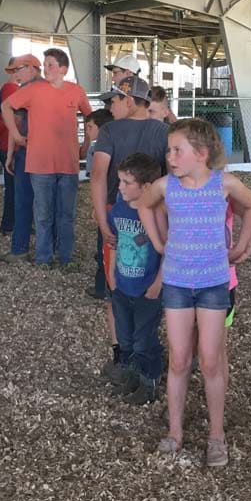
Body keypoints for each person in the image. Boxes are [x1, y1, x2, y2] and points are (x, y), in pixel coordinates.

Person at [139, 118, 251, 468]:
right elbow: (144, 205)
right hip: (177, 282)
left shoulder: (225, 184)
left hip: (213, 284)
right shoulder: (165, 186)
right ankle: (174, 432)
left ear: (202, 154)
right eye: (169, 150)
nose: (170, 156)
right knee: (178, 359)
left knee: (210, 360)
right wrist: (160, 242)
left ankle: (216, 435)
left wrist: (244, 245)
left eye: (178, 150)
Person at [91, 76, 169, 369]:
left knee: (116, 285)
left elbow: (98, 176)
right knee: (151, 284)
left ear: (130, 100)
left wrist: (102, 220)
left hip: (117, 213)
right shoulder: (163, 131)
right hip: (154, 218)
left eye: (114, 100)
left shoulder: (110, 131)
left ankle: (123, 353)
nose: (110, 106)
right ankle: (147, 353)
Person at [6, 47, 91, 268]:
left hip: (68, 162)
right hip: (40, 164)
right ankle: (44, 257)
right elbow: (7, 106)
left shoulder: (77, 91)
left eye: (50, 64)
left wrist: (86, 143)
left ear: (63, 69)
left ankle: (66, 257)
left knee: (66, 215)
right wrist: (15, 135)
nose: (46, 69)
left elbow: (90, 117)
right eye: (45, 65)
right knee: (43, 214)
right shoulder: (34, 90)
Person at [106, 153, 167, 406]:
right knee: (126, 336)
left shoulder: (158, 213)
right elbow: (115, 241)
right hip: (122, 285)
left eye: (126, 182)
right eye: (120, 181)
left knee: (145, 338)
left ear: (147, 187)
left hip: (147, 289)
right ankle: (132, 375)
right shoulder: (119, 208)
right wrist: (111, 272)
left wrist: (158, 283)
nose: (120, 187)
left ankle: (148, 381)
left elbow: (167, 248)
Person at [0, 55, 43, 263]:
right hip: (46, 152)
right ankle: (49, 251)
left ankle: (20, 248)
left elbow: (13, 121)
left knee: (24, 200)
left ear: (33, 68)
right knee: (47, 204)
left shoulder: (25, 92)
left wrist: (12, 150)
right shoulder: (52, 89)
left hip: (29, 151)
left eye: (18, 70)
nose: (15, 75)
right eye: (13, 71)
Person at [84, 108, 114, 300]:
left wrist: (96, 205)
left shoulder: (96, 150)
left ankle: (102, 286)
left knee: (103, 244)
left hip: (105, 202)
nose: (87, 131)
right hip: (113, 201)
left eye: (90, 127)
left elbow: (95, 177)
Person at [0, 58, 22, 235]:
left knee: (12, 185)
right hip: (10, 143)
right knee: (15, 186)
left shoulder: (8, 88)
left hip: (6, 142)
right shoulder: (12, 89)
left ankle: (10, 222)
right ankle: (11, 222)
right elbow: (12, 119)